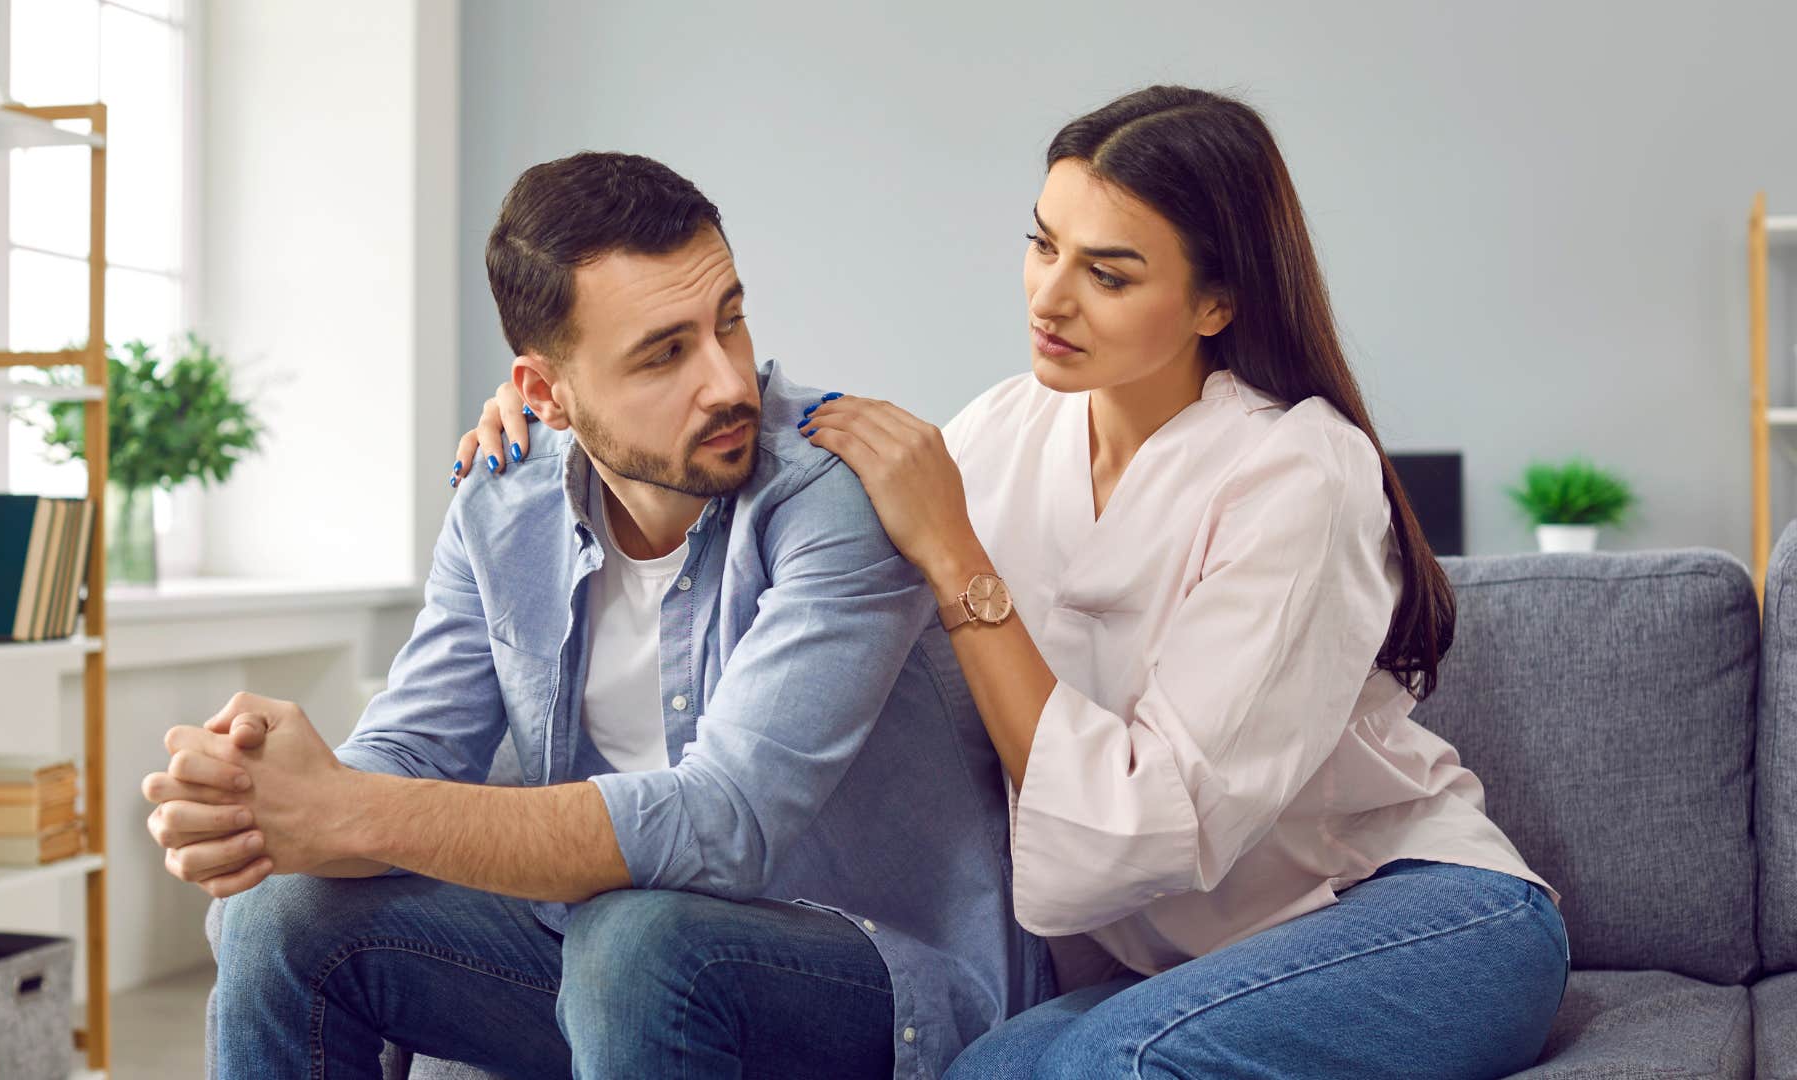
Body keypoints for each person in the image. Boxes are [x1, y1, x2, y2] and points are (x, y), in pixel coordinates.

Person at [457, 86, 1569, 1079]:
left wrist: (959, 561)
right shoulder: (1004, 429)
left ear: (1216, 303)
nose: (1052, 297)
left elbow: (1136, 830)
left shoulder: (1301, 474)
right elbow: (771, 456)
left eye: (1109, 272)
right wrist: (563, 429)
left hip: (1410, 913)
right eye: (1043, 246)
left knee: (1102, 1066)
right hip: (1155, 970)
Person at [142, 152, 1049, 1079]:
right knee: (280, 913)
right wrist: (267, 804)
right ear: (545, 394)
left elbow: (725, 823)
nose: (729, 381)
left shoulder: (835, 496)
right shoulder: (501, 503)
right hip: (615, 971)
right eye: (665, 352)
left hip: (871, 977)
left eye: (728, 321)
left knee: (638, 937)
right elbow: (413, 752)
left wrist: (349, 811)